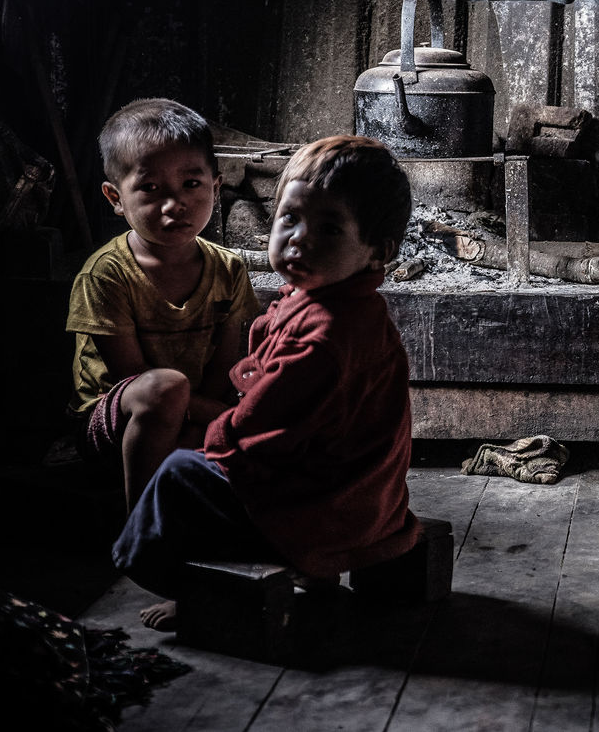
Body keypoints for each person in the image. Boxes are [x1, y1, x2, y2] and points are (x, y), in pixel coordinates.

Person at [112, 135, 424, 630]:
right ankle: (305, 569)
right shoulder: (344, 303)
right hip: (359, 499)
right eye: (290, 218)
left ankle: (193, 588)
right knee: (206, 457)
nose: (299, 238)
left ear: (375, 251)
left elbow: (265, 432)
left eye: (328, 228)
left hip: (327, 510)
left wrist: (212, 440)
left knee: (179, 473)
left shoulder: (325, 335)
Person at [67, 99, 260, 512]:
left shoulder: (228, 269)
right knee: (166, 387)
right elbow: (134, 379)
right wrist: (227, 419)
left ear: (215, 185)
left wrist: (221, 415)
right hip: (116, 420)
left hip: (195, 411)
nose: (175, 204)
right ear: (115, 198)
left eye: (191, 184)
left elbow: (225, 367)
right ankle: (143, 527)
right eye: (151, 189)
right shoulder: (107, 274)